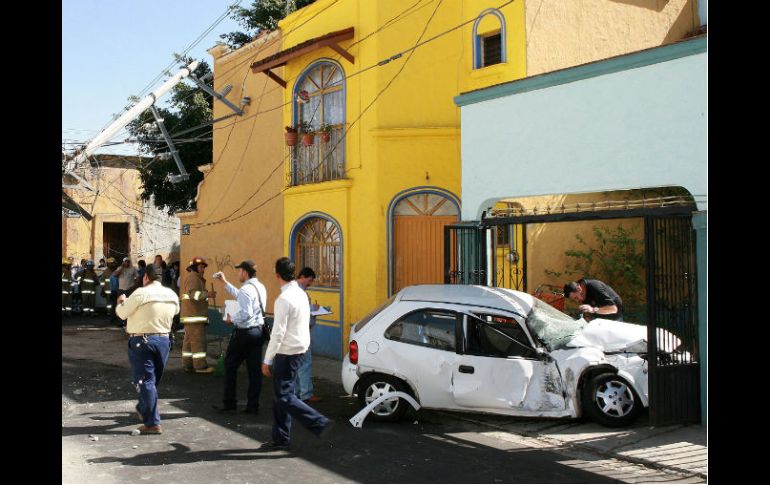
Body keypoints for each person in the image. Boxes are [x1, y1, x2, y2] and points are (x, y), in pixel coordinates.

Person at [260, 257, 333, 451]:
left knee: (283, 396)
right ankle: (281, 437)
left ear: (277, 275)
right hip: (299, 348)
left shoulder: (284, 299)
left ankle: (318, 422)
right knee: (281, 396)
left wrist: (267, 360)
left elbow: (278, 332)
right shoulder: (300, 294)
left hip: (288, 352)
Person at [116, 266, 180, 435]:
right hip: (164, 340)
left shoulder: (140, 293)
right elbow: (176, 312)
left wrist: (121, 301)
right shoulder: (172, 294)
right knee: (152, 381)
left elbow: (122, 314)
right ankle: (144, 407)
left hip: (142, 341)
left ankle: (152, 423)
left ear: (146, 277)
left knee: (146, 382)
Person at [212, 260, 267, 415]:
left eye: (239, 271)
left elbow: (245, 312)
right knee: (254, 370)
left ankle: (229, 403)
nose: (238, 273)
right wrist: (225, 283)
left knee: (230, 366)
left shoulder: (246, 289)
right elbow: (242, 297)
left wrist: (232, 319)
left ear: (245, 272)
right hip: (258, 331)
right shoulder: (259, 287)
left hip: (244, 333)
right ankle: (252, 405)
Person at [180, 257, 217, 373]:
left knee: (189, 342)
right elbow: (193, 294)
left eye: (204, 267)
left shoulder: (194, 278)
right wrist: (208, 294)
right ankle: (200, 366)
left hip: (190, 316)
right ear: (195, 268)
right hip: (194, 316)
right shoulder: (194, 278)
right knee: (198, 342)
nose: (203, 270)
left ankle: (188, 364)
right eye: (201, 267)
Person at [294, 267, 321, 404]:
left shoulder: (292, 290)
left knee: (297, 363)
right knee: (305, 363)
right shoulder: (300, 293)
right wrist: (313, 310)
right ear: (303, 276)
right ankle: (306, 394)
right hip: (301, 332)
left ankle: (297, 392)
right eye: (309, 280)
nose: (310, 283)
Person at [114, 258, 139, 326]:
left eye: (128, 262)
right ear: (123, 262)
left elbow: (138, 277)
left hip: (129, 290)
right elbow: (115, 275)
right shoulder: (120, 268)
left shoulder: (133, 269)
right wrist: (122, 267)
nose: (127, 263)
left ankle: (128, 322)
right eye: (125, 262)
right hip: (121, 290)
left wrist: (134, 286)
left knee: (129, 305)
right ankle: (120, 322)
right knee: (120, 305)